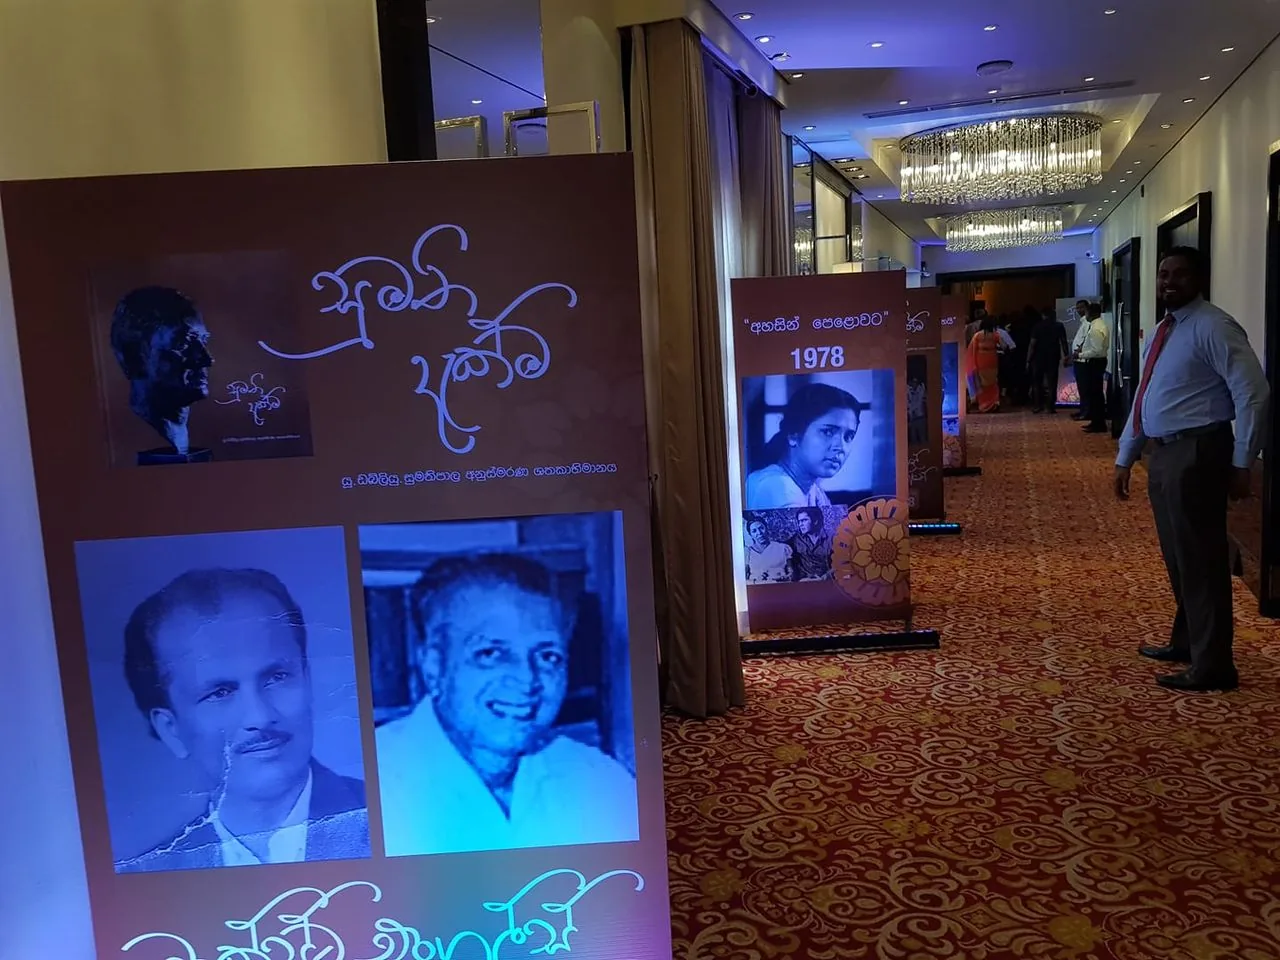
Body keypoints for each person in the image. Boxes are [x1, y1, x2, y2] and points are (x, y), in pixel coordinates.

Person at [375, 554, 638, 856]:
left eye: (547, 656)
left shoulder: (601, 783)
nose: (527, 680)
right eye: (491, 653)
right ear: (434, 668)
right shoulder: (362, 795)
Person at [117, 568, 370, 872]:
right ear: (171, 731)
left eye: (277, 677)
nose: (260, 716)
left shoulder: (398, 820)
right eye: (220, 692)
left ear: (307, 678)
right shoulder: (149, 877)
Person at [1114, 246, 1269, 692]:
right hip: (1163, 454)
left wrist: (1243, 462)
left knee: (1202, 560)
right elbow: (1145, 396)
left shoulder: (1213, 326)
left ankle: (1214, 664)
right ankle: (1188, 642)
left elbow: (1253, 394)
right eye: (1163, 274)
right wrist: (1127, 455)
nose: (1168, 282)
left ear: (1198, 279)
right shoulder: (1165, 330)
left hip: (1199, 452)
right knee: (1179, 558)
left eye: (1179, 274)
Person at [110, 286, 215, 465]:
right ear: (134, 356)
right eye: (183, 343)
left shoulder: (209, 430)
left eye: (203, 340)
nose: (206, 359)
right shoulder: (121, 439)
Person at [745, 383, 862, 509]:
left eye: (848, 436)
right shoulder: (776, 487)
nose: (841, 447)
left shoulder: (814, 491)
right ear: (793, 435)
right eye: (827, 432)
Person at [1027, 308, 1069, 413]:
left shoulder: (1037, 326)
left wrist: (1028, 359)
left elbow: (1032, 344)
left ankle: (1037, 405)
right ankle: (1050, 406)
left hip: (1038, 357)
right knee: (1052, 382)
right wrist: (1066, 355)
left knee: (1037, 382)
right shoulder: (1059, 326)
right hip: (1053, 356)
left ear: (1043, 315)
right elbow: (1063, 341)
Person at [1077, 302, 1111, 433]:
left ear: (1092, 313)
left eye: (1086, 312)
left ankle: (1098, 423)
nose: (1085, 315)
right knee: (1094, 393)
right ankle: (1096, 422)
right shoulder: (1097, 325)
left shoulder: (1096, 328)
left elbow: (1096, 351)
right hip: (1096, 362)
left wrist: (1080, 354)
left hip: (1095, 362)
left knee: (1095, 394)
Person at [966, 317, 1002, 413]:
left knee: (982, 383)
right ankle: (994, 402)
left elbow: (972, 350)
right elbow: (1004, 345)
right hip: (992, 360)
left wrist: (973, 363)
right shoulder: (995, 335)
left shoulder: (977, 336)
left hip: (981, 361)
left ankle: (984, 405)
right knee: (993, 382)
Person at [745, 515, 794, 583]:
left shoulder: (783, 548)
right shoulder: (748, 552)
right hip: (756, 589)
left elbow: (791, 573)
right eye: (754, 531)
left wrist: (783, 578)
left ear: (766, 528)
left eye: (761, 528)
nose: (759, 533)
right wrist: (756, 581)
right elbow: (742, 578)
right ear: (750, 535)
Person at [788, 508, 831, 582]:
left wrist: (826, 576)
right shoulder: (796, 539)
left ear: (815, 521)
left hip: (827, 581)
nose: (800, 524)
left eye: (804, 520)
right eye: (799, 521)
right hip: (804, 581)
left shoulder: (831, 538)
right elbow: (781, 548)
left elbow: (840, 563)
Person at [1068, 300, 1094, 421]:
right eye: (1077, 308)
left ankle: (1087, 412)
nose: (1079, 310)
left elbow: (1086, 340)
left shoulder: (1088, 323)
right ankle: (1083, 410)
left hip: (1083, 359)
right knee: (1081, 387)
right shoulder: (1083, 322)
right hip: (1078, 359)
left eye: (1081, 308)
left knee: (1085, 387)